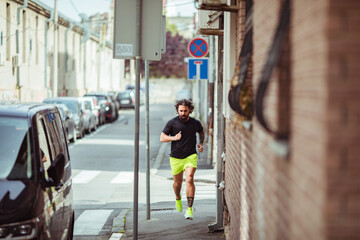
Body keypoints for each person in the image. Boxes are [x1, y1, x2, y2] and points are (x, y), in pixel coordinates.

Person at [160, 99, 204, 220]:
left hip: (190, 155)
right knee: (177, 183)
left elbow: (201, 132)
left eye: (185, 111)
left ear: (190, 110)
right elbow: (162, 138)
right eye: (181, 111)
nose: (183, 113)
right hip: (175, 157)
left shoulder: (195, 123)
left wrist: (201, 144)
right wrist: (174, 138)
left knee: (189, 178)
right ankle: (178, 198)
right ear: (177, 110)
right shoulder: (172, 123)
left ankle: (189, 209)